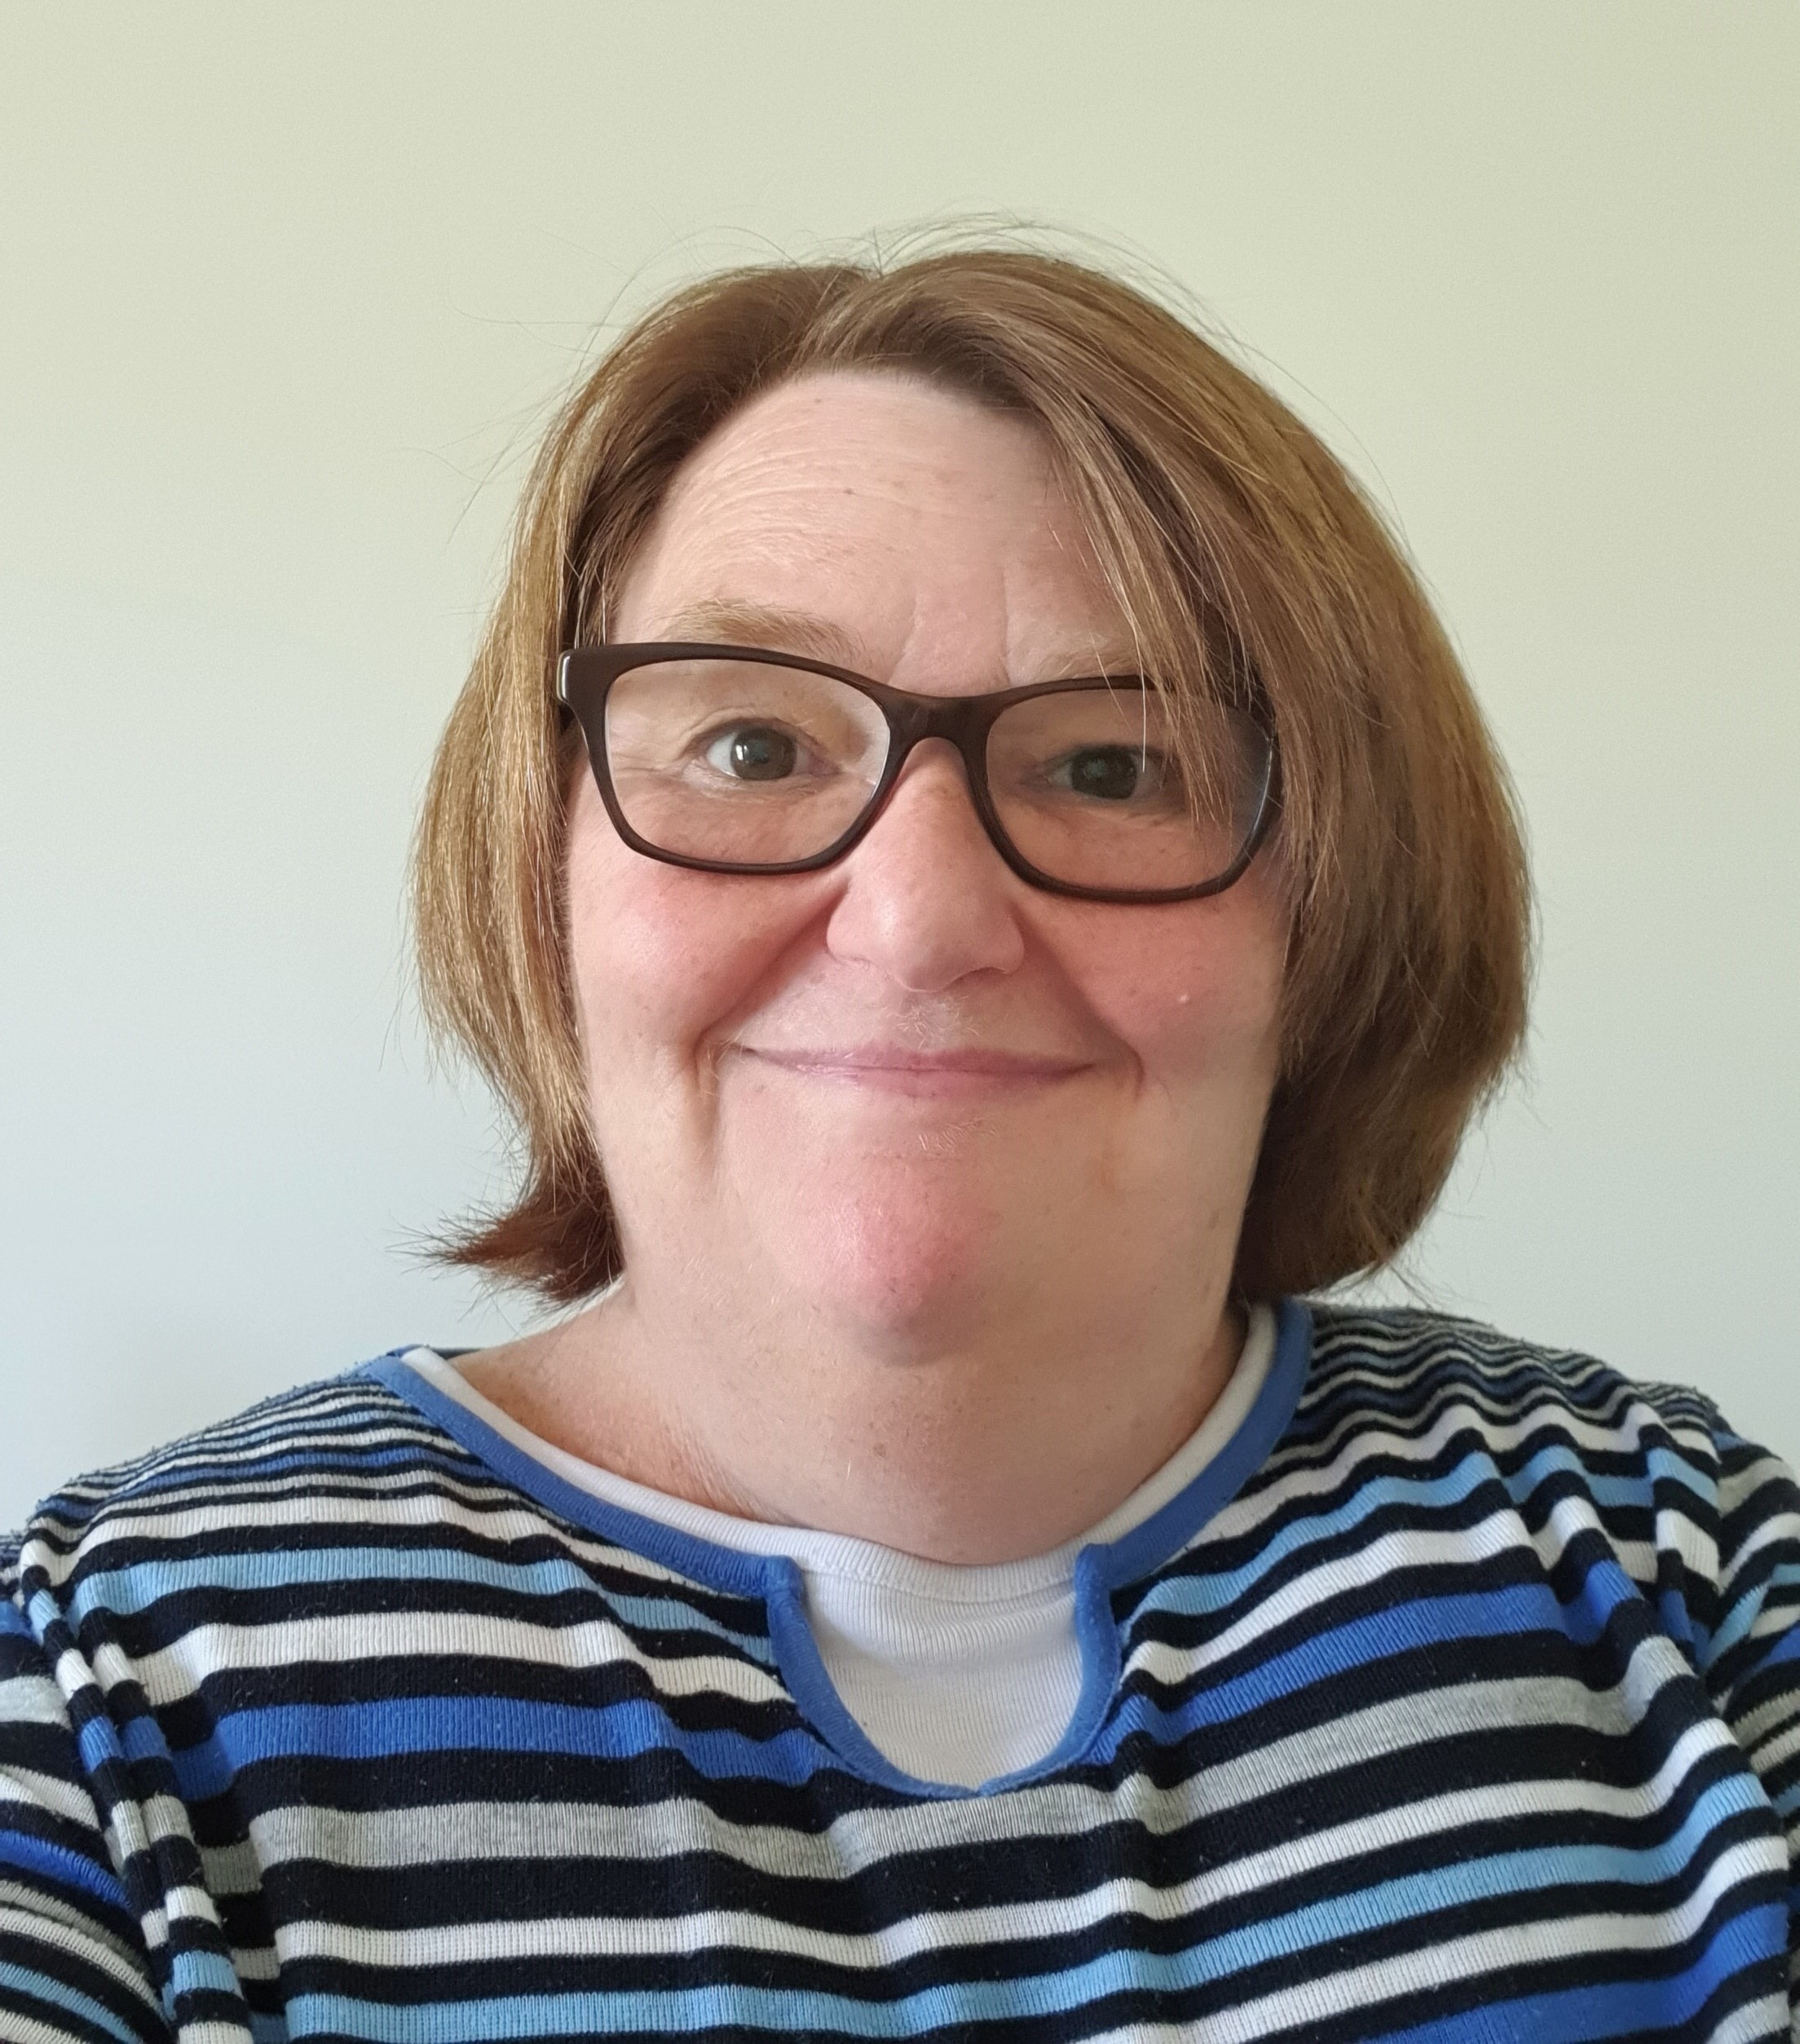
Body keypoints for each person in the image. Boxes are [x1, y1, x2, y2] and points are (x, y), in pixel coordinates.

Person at [2, 247, 1794, 2044]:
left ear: (1335, 911)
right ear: (543, 875)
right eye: (755, 740)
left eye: (1113, 768)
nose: (921, 920)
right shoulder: (116, 1695)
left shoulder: (1668, 1566)